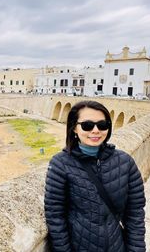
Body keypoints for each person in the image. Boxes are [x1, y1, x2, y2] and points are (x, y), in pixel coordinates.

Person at [44, 100, 145, 251]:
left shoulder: (125, 162)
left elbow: (135, 213)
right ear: (74, 128)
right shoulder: (60, 164)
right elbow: (55, 216)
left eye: (102, 125)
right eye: (87, 125)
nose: (96, 130)